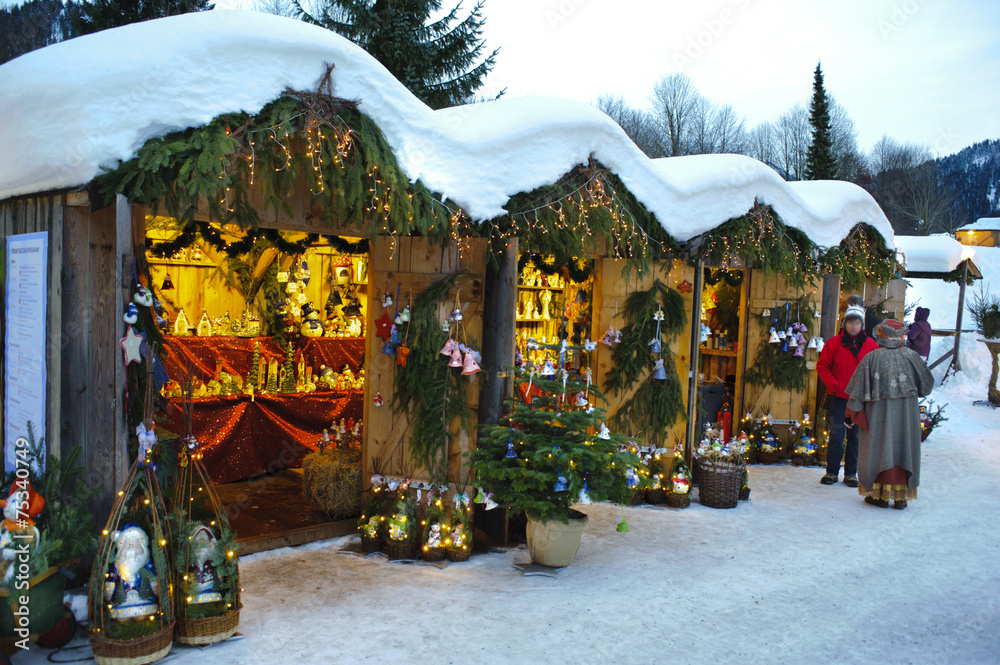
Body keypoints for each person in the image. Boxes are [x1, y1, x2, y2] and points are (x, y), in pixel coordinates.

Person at [844, 320, 934, 509]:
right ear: (901, 335)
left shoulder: (871, 358)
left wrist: (851, 413)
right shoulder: (912, 357)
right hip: (906, 416)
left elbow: (857, 392)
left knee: (879, 447)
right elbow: (926, 385)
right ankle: (900, 497)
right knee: (903, 448)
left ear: (881, 335)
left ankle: (879, 496)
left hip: (878, 415)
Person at [815, 303, 878, 487]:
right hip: (840, 397)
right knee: (836, 435)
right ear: (844, 324)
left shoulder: (870, 345)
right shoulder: (834, 343)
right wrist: (835, 385)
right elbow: (822, 366)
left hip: (859, 401)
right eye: (850, 322)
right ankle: (832, 472)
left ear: (862, 325)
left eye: (857, 323)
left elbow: (875, 370)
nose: (853, 326)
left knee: (855, 437)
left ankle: (851, 473)